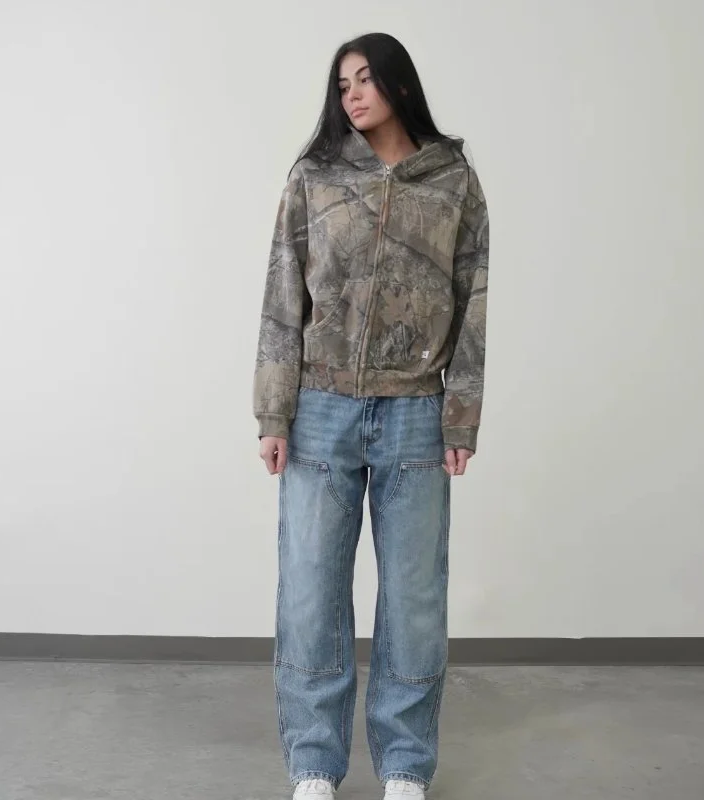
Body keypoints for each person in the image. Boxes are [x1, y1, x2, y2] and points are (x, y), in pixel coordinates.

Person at [252, 31, 489, 800]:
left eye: (365, 79)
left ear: (399, 84)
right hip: (320, 410)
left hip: (417, 412)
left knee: (414, 600)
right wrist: (274, 413)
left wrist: (461, 416)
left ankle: (406, 767)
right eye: (342, 83)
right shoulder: (315, 176)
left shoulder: (451, 179)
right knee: (310, 593)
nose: (352, 94)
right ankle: (314, 764)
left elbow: (473, 301)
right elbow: (283, 297)